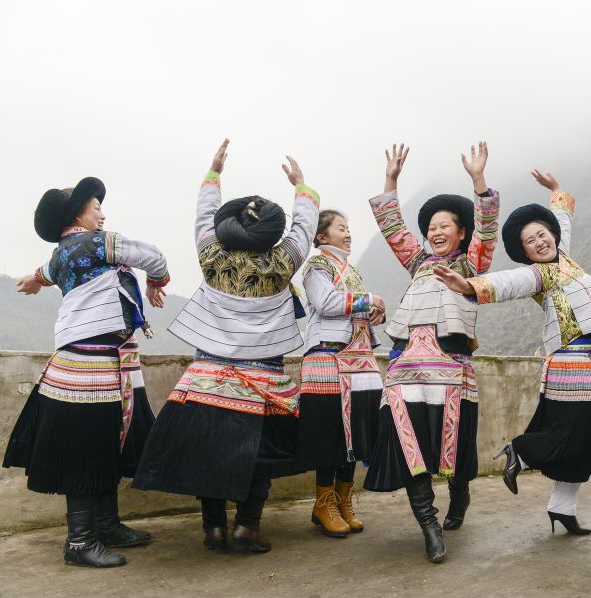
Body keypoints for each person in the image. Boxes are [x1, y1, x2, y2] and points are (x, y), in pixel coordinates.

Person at [133, 139, 320, 554]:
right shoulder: (282, 263)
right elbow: (305, 228)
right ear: (270, 232)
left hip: (207, 377)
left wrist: (213, 174)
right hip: (263, 378)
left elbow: (203, 217)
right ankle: (246, 528)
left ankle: (214, 528)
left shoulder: (212, 258)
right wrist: (301, 186)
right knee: (260, 454)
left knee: (208, 452)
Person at [435, 170, 591, 535]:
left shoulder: (566, 260)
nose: (539, 242)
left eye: (542, 234)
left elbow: (563, 222)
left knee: (587, 438)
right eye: (530, 241)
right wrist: (469, 285)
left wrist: (557, 190)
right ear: (527, 252)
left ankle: (562, 508)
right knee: (572, 433)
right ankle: (521, 451)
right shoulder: (541, 275)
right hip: (572, 364)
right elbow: (508, 282)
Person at [5, 176, 169, 568]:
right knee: (88, 449)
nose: (103, 214)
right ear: (78, 212)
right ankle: (80, 541)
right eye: (97, 207)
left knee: (102, 446)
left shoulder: (63, 251)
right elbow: (155, 256)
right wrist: (156, 282)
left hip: (90, 364)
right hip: (91, 368)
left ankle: (106, 526)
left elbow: (46, 271)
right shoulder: (97, 242)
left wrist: (34, 279)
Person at [364, 142, 499, 563]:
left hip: (451, 365)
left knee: (454, 443)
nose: (436, 232)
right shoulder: (418, 263)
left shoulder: (472, 266)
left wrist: (478, 179)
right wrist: (391, 179)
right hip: (404, 363)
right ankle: (429, 525)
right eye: (432, 227)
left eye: (446, 226)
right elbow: (393, 229)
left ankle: (460, 494)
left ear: (462, 232)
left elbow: (488, 229)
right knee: (409, 444)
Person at [295, 209, 386, 537]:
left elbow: (353, 306)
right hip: (327, 355)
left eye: (349, 228)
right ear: (322, 237)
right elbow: (325, 302)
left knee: (355, 430)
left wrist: (375, 312)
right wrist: (368, 299)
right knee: (330, 432)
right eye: (341, 228)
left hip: (358, 358)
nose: (348, 234)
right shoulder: (317, 265)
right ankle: (324, 504)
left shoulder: (352, 270)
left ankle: (344, 501)